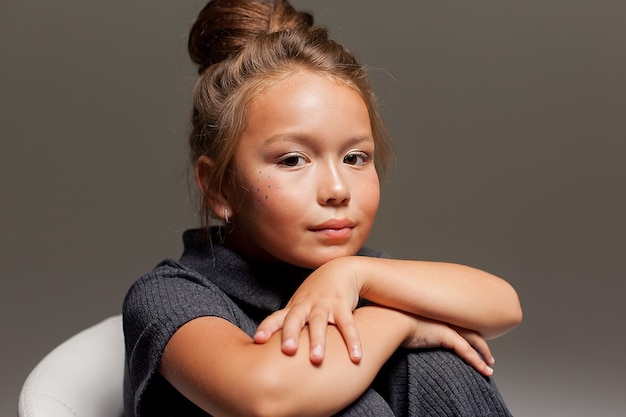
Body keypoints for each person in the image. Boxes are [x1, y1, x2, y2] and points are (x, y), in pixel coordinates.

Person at [122, 0, 523, 416]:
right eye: (293, 159)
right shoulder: (168, 296)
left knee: (438, 363)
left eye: (355, 158)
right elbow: (267, 396)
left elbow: (504, 306)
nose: (336, 189)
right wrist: (401, 321)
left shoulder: (352, 276)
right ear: (220, 188)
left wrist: (353, 273)